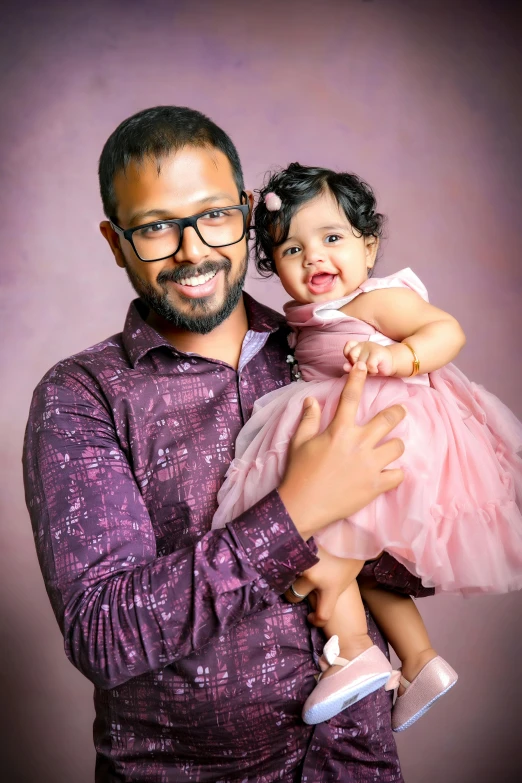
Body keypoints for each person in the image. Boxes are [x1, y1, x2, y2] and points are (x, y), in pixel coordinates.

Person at [23, 106, 433, 783]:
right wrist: (294, 513)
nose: (192, 250)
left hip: (357, 763)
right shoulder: (81, 396)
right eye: (156, 227)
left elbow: (427, 564)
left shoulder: (336, 353)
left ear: (246, 210)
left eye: (213, 215)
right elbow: (105, 633)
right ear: (115, 240)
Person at [212, 163, 522, 731]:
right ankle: (421, 661)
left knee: (322, 551)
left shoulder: (375, 301)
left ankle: (353, 649)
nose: (313, 257)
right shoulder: (304, 320)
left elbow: (445, 330)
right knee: (367, 568)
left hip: (392, 435)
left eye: (332, 238)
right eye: (290, 249)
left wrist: (400, 358)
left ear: (368, 245)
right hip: (347, 440)